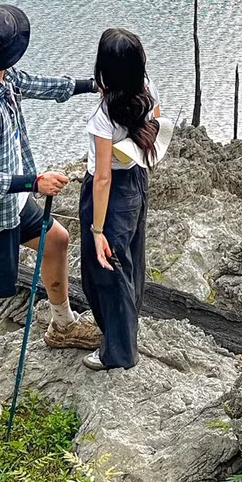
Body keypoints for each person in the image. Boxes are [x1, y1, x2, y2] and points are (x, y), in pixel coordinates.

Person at [0, 3, 102, 415]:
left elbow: (35, 84)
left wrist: (91, 85)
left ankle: (63, 324)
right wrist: (32, 183)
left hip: (11, 206)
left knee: (57, 240)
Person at [79, 26, 160, 371]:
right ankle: (125, 330)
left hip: (110, 197)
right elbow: (155, 120)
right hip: (136, 182)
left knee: (106, 272)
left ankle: (118, 352)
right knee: (129, 261)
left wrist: (97, 231)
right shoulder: (146, 91)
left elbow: (102, 177)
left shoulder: (104, 118)